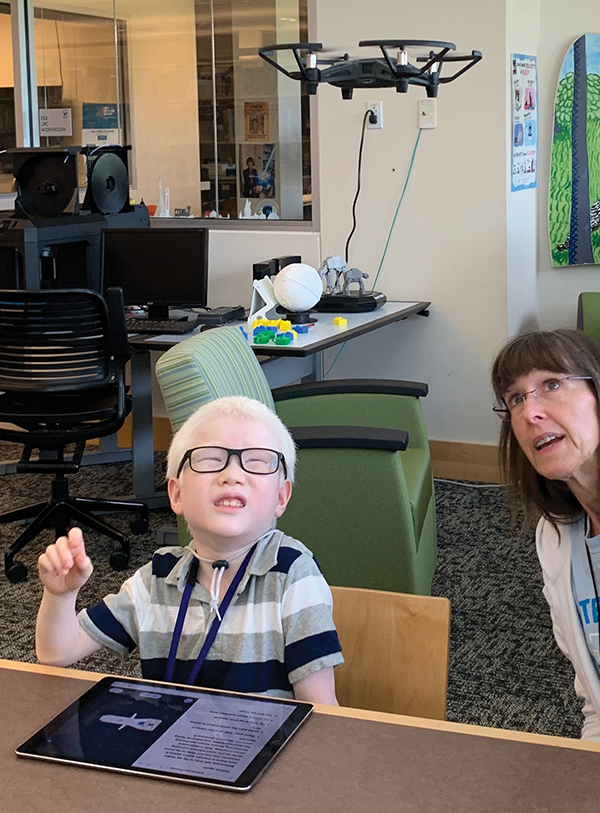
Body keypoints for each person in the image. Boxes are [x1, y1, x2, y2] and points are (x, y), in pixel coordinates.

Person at [36, 396, 343, 704]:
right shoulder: (157, 578)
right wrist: (60, 595)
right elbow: (56, 652)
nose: (232, 475)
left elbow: (320, 712)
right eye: (210, 459)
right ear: (177, 494)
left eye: (257, 462)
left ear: (281, 496)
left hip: (269, 749)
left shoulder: (292, 573)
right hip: (171, 747)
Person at [491, 328, 600, 740]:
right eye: (516, 398)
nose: (529, 413)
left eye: (551, 384)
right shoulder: (555, 539)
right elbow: (594, 704)